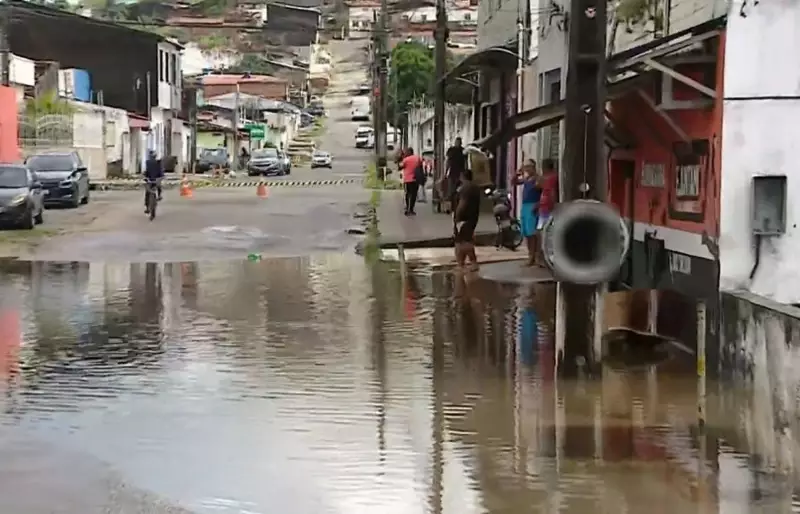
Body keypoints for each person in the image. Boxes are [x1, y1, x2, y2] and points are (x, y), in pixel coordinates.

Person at [514, 159, 541, 266]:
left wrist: (538, 204)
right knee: (526, 233)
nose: (526, 169)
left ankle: (534, 255)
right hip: (525, 206)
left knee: (532, 233)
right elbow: (514, 182)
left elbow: (545, 192)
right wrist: (517, 173)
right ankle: (530, 254)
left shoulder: (537, 179)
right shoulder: (527, 179)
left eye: (528, 166)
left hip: (532, 206)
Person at [453, 168, 481, 270]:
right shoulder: (475, 187)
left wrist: (457, 216)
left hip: (464, 218)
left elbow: (462, 203)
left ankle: (471, 262)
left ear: (462, 176)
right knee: (462, 241)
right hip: (473, 217)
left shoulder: (465, 188)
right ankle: (461, 263)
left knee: (463, 241)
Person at [537, 158, 559, 234]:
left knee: (544, 229)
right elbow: (538, 186)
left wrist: (553, 203)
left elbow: (552, 191)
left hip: (548, 205)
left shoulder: (552, 177)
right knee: (542, 229)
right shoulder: (546, 177)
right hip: (544, 206)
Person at [400, 147, 423, 216]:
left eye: (406, 152)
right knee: (414, 195)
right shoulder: (418, 158)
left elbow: (400, 167)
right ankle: (411, 209)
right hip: (416, 179)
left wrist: (401, 158)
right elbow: (421, 167)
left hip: (407, 180)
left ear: (409, 152)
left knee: (408, 194)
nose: (406, 153)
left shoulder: (405, 160)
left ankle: (408, 208)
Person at [446, 137, 466, 207]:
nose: (458, 143)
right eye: (457, 142)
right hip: (453, 172)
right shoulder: (451, 150)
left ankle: (459, 204)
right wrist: (446, 171)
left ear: (461, 143)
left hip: (460, 172)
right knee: (452, 190)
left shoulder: (463, 150)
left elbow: (465, 162)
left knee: (461, 189)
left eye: (459, 142)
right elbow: (448, 161)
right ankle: (452, 205)